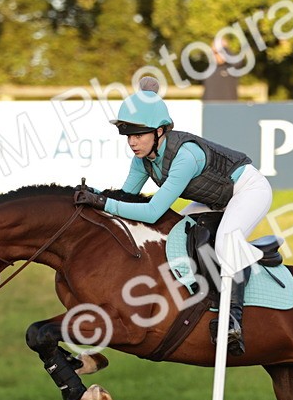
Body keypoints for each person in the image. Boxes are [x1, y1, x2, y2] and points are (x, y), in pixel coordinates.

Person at [73, 79, 273, 356]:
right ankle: (203, 286)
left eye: (138, 135)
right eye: (128, 136)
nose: (132, 143)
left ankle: (232, 319)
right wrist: (95, 195)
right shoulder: (142, 158)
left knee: (226, 241)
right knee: (181, 232)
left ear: (159, 131)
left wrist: (103, 202)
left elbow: (153, 212)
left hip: (249, 190)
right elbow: (126, 197)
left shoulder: (186, 156)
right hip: (214, 199)